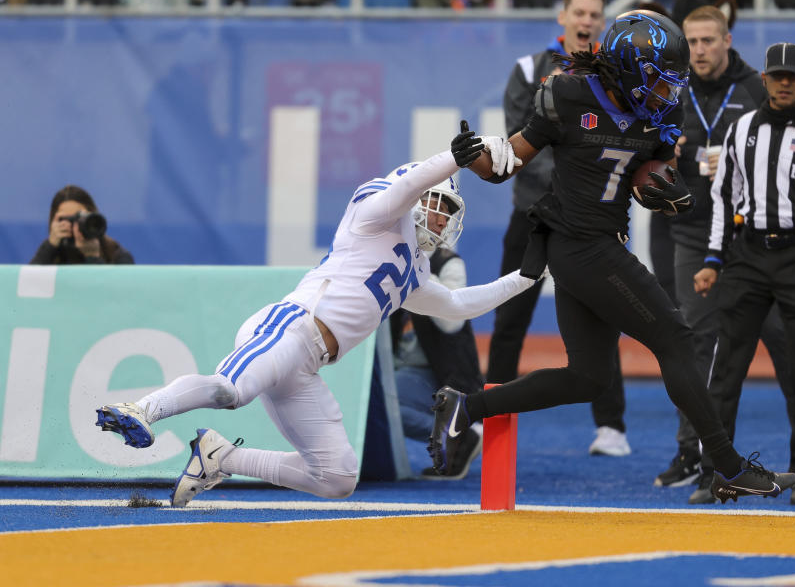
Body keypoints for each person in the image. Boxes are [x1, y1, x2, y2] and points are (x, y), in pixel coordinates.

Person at [430, 10, 795, 504]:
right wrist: (471, 154)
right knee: (675, 335)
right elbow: (508, 162)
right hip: (579, 244)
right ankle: (726, 467)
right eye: (658, 79)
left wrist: (665, 188)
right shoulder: (567, 93)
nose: (667, 91)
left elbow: (653, 172)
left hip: (597, 244)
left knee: (588, 377)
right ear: (627, 68)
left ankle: (465, 408)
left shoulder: (661, 107)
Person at [95, 150, 537, 507]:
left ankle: (221, 457)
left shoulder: (415, 269)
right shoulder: (376, 210)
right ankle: (143, 409)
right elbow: (404, 186)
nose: (442, 221)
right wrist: (454, 159)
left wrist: (525, 278)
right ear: (423, 194)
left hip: (308, 363)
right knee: (231, 390)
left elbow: (459, 304)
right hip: (290, 326)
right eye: (441, 207)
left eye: (449, 214)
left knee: (337, 476)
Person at [694, 42, 795, 506]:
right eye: (777, 75)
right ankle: (717, 472)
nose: (784, 82)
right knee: (727, 368)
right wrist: (713, 260)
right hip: (748, 256)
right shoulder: (740, 130)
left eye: (793, 76)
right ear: (764, 79)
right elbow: (724, 200)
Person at [656, 4, 795, 498]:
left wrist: (737, 162)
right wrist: (678, 155)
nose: (698, 50)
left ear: (727, 41)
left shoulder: (758, 89)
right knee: (692, 339)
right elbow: (650, 147)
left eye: (707, 41)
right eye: (691, 42)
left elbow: (790, 151)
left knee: (783, 336)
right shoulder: (670, 86)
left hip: (750, 234)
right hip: (693, 231)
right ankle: (695, 450)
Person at [490, 0, 630, 458]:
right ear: (563, 16)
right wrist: (572, 182)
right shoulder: (529, 69)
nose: (587, 21)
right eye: (580, 12)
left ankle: (611, 427)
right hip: (531, 215)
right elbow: (517, 143)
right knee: (510, 319)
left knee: (601, 317)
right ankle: (491, 417)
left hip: (588, 224)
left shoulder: (614, 75)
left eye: (595, 14)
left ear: (603, 21)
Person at [390, 243, 485, 480]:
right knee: (373, 401)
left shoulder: (448, 262)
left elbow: (452, 322)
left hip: (443, 374)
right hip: (404, 367)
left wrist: (419, 269)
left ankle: (458, 436)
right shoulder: (386, 257)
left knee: (384, 406)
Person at [30, 185, 134, 265]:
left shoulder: (115, 254)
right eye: (68, 219)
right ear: (54, 222)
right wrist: (50, 246)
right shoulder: (51, 253)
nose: (75, 225)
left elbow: (117, 291)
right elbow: (27, 284)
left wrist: (93, 257)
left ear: (93, 217)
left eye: (80, 217)